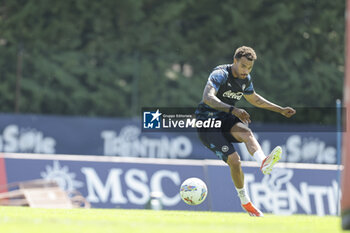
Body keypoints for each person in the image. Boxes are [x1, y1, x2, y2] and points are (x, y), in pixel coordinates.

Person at [195, 46, 296, 217]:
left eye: (249, 68)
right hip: (207, 123)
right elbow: (208, 98)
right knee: (235, 161)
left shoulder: (245, 79)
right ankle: (245, 201)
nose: (246, 71)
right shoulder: (220, 74)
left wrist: (279, 110)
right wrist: (233, 109)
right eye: (243, 66)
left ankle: (263, 162)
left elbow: (254, 98)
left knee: (246, 132)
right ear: (235, 61)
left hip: (226, 120)